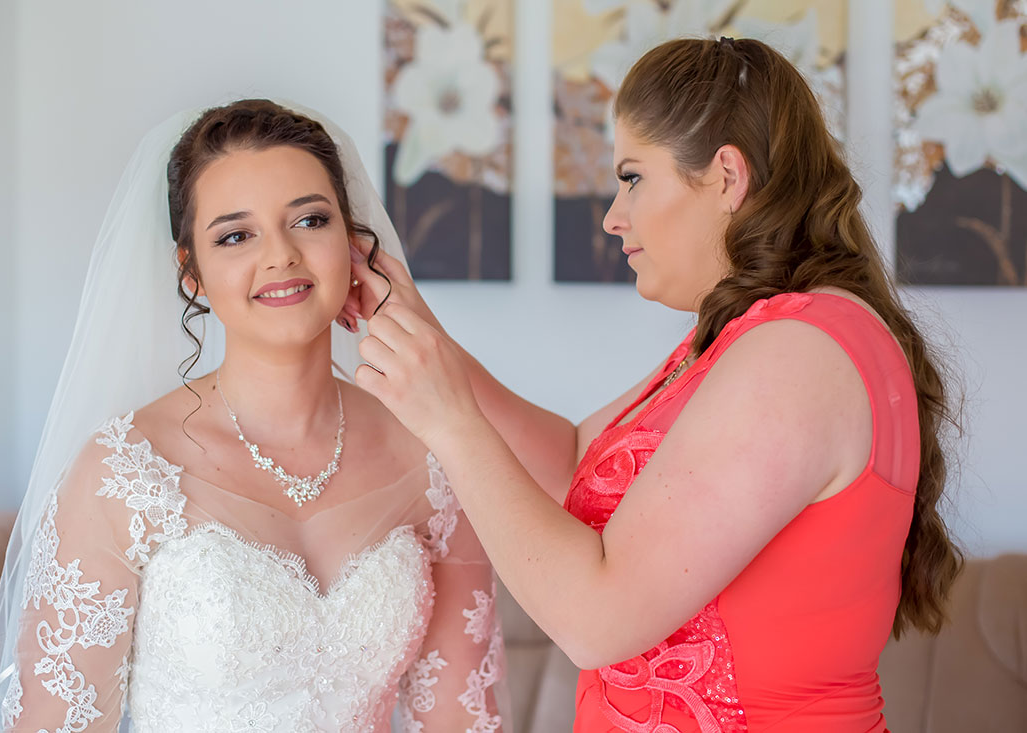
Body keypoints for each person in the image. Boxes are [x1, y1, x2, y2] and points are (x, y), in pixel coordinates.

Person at [349, 38, 962, 731]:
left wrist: (450, 425)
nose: (614, 215)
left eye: (633, 177)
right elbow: (580, 458)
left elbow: (596, 620)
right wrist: (416, 327)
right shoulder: (762, 333)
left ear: (727, 176)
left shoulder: (795, 353)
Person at [0, 99, 506, 732]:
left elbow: (463, 719)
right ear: (193, 275)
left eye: (310, 221)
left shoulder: (434, 452)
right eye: (235, 235)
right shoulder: (124, 473)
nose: (280, 255)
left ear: (354, 246)